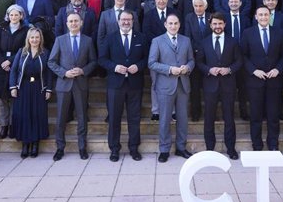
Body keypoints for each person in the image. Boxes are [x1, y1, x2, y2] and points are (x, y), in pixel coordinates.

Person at [99, 11, 149, 162]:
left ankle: (134, 148)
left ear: (133, 21)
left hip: (135, 84)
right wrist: (114, 67)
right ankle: (114, 149)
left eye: (129, 19)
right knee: (114, 118)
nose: (126, 22)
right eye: (123, 19)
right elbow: (101, 59)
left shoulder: (141, 38)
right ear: (118, 21)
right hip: (115, 85)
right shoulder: (110, 38)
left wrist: (138, 66)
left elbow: (147, 58)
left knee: (134, 118)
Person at [48, 12, 98, 161]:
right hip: (64, 85)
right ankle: (60, 147)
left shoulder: (88, 41)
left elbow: (93, 62)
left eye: (76, 21)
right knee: (61, 118)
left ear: (81, 23)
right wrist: (64, 73)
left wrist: (83, 70)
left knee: (82, 118)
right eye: (71, 21)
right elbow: (51, 62)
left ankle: (82, 147)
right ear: (67, 24)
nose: (74, 24)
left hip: (81, 84)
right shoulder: (60, 40)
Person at [148, 14, 195, 163]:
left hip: (182, 85)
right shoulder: (157, 41)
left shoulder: (186, 40)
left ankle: (181, 148)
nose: (173, 26)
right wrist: (169, 69)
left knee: (182, 119)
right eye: (170, 23)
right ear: (165, 25)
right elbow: (152, 63)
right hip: (165, 86)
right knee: (165, 119)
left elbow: (191, 60)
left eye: (175, 23)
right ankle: (164, 149)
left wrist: (187, 67)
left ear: (179, 24)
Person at [195, 12, 242, 159]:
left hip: (228, 84)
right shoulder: (204, 42)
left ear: (224, 25)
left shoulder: (233, 41)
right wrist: (209, 69)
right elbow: (199, 62)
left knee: (229, 117)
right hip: (210, 85)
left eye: (220, 24)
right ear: (210, 25)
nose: (217, 26)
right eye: (215, 24)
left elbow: (239, 61)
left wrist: (229, 69)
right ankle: (210, 148)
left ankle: (231, 148)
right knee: (209, 117)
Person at [241, 6, 283, 151]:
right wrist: (254, 70)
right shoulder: (248, 33)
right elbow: (243, 56)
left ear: (270, 16)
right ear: (256, 16)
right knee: (255, 116)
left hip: (274, 80)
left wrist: (278, 69)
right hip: (255, 81)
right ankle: (257, 144)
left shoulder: (279, 33)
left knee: (273, 116)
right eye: (260, 15)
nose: (263, 17)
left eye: (266, 15)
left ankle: (273, 144)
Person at [9, 27, 53, 158]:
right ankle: (25, 144)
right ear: (28, 39)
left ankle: (35, 144)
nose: (34, 40)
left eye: (37, 37)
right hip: (23, 87)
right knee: (24, 114)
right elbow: (14, 70)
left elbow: (48, 72)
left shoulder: (45, 52)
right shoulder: (21, 52)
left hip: (39, 88)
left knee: (36, 114)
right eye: (32, 37)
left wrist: (49, 89)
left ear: (41, 39)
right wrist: (13, 87)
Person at [0, 5, 29, 139]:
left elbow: (25, 48)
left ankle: (13, 126)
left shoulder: (26, 30)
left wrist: (11, 60)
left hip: (16, 66)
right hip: (0, 67)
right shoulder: (1, 28)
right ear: (8, 16)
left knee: (14, 98)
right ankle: (4, 126)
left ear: (21, 16)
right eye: (11, 15)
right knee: (2, 99)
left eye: (16, 15)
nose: (14, 17)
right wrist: (2, 61)